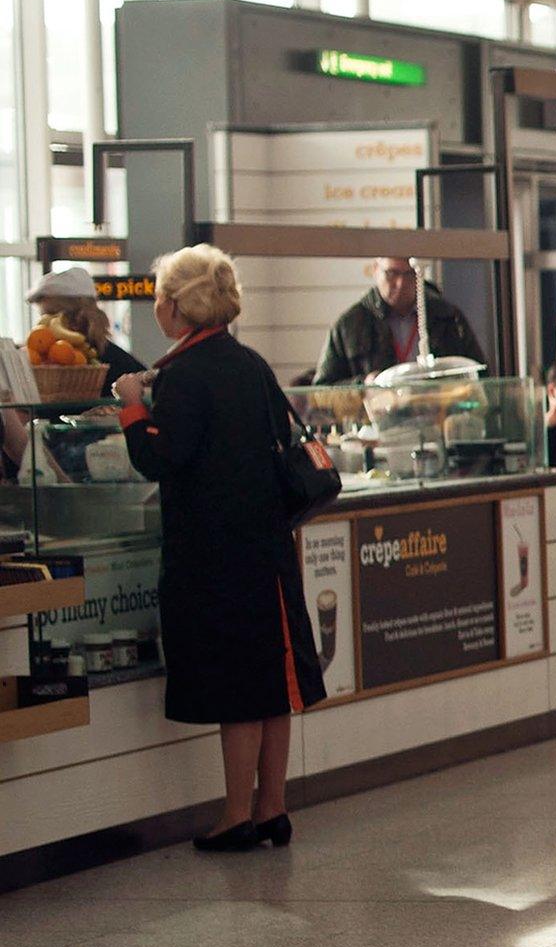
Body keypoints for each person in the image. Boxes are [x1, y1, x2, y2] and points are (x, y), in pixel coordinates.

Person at [111, 245, 327, 852]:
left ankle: (235, 814)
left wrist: (131, 406)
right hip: (267, 545)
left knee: (237, 686)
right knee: (272, 681)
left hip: (213, 554)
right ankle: (273, 808)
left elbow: (161, 456)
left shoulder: (182, 375)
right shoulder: (251, 364)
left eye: (160, 297)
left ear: (178, 305)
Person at [313, 257, 489, 384]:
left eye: (410, 274)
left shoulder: (448, 317)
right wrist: (364, 385)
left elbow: (481, 375)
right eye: (391, 273)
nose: (401, 283)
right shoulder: (349, 324)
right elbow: (321, 392)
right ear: (375, 269)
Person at [26, 267, 147, 386]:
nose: (43, 324)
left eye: (50, 315)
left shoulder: (115, 365)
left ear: (78, 318)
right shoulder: (43, 365)